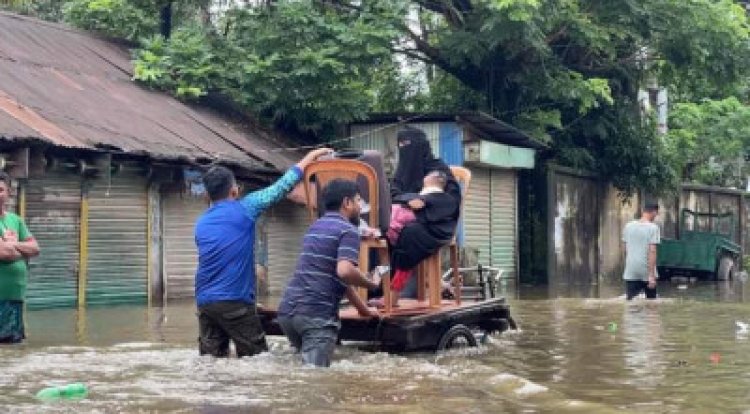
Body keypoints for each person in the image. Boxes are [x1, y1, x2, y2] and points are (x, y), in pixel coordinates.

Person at [194, 147, 332, 358]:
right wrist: (312, 157)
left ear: (206, 195)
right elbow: (282, 186)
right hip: (236, 303)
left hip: (205, 303)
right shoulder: (245, 208)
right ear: (234, 191)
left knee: (212, 363)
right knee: (257, 360)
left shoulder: (201, 222)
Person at [277, 179, 380, 367]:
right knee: (315, 382)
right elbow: (345, 271)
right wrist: (370, 283)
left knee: (303, 375)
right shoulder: (348, 231)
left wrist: (363, 310)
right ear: (346, 203)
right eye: (358, 201)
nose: (360, 207)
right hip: (316, 315)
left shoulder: (314, 227)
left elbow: (339, 279)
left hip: (287, 313)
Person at [386, 127, 461, 306]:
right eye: (401, 145)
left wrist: (425, 201)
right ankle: (380, 290)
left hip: (437, 224)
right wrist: (411, 198)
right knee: (382, 231)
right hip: (408, 220)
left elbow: (451, 201)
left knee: (410, 233)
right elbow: (393, 193)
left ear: (421, 146)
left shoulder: (438, 170)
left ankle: (395, 293)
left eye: (408, 145)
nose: (405, 150)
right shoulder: (402, 171)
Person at [0, 172, 40, 344]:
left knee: (13, 348)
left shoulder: (15, 220)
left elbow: (35, 248)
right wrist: (20, 249)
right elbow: (4, 254)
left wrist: (14, 245)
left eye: (0, 190)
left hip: (14, 297)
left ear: (8, 193)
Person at [622, 203, 660, 300]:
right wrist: (651, 276)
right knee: (651, 305)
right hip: (646, 271)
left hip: (631, 271)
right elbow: (652, 251)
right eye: (656, 214)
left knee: (631, 304)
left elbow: (625, 249)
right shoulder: (653, 228)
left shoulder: (628, 226)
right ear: (654, 212)